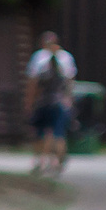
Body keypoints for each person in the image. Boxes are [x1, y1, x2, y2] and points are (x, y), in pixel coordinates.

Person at [24, 32, 76, 176]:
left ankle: (41, 162)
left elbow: (33, 83)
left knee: (41, 132)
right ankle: (58, 162)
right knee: (58, 133)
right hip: (60, 101)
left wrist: (29, 102)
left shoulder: (39, 58)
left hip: (43, 101)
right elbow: (70, 81)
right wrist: (69, 100)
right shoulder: (66, 57)